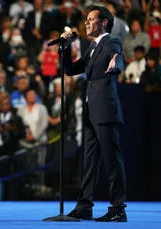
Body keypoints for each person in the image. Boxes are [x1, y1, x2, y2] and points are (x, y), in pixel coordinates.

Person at [61, 5, 127, 222]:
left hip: (106, 111)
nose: (87, 23)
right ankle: (84, 206)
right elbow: (70, 70)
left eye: (91, 19)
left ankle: (118, 209)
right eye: (86, 19)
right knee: (89, 161)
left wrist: (115, 64)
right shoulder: (92, 47)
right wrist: (67, 47)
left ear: (104, 23)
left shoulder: (111, 42)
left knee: (111, 160)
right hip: (91, 111)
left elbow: (117, 57)